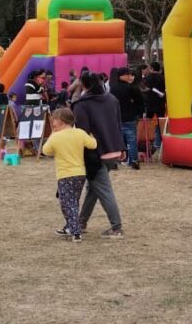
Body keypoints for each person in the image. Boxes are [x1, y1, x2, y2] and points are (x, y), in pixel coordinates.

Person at [72, 72, 125, 238]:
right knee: (94, 188)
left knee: (102, 189)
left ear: (84, 84)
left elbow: (83, 133)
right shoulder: (112, 100)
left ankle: (116, 227)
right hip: (114, 150)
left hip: (96, 153)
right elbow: (118, 124)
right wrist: (122, 148)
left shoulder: (81, 105)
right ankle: (81, 222)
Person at [42, 107, 97, 242]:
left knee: (67, 203)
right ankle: (69, 226)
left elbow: (45, 150)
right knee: (73, 201)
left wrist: (52, 134)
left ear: (60, 121)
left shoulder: (56, 137)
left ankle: (75, 231)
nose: (52, 123)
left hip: (65, 174)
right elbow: (93, 144)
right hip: (80, 173)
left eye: (54, 120)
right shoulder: (79, 133)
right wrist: (91, 135)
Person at [110, 67, 145, 169]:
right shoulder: (132, 88)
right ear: (123, 75)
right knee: (131, 140)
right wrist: (137, 112)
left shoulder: (113, 88)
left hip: (117, 118)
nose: (130, 76)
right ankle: (133, 161)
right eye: (128, 75)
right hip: (130, 117)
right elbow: (140, 102)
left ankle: (115, 161)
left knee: (117, 140)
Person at [143, 62, 166, 152]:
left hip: (150, 104)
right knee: (161, 124)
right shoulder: (163, 77)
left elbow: (146, 89)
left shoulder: (148, 78)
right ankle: (163, 143)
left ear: (152, 68)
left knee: (148, 124)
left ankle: (148, 143)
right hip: (160, 103)